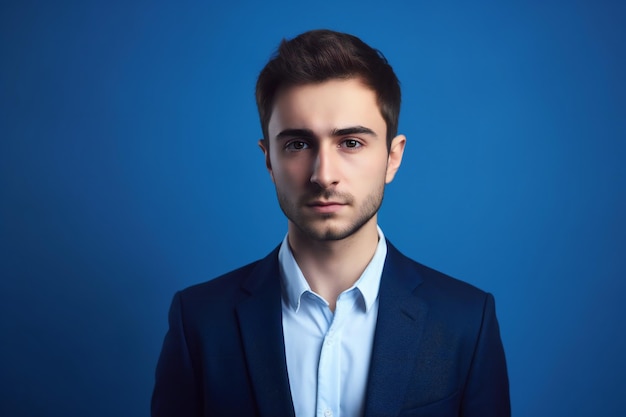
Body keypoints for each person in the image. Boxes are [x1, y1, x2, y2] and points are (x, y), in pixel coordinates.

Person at [152, 29, 510, 417]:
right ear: (269, 160)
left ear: (393, 157)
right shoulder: (199, 322)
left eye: (351, 142)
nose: (324, 175)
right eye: (298, 144)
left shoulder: (466, 322)